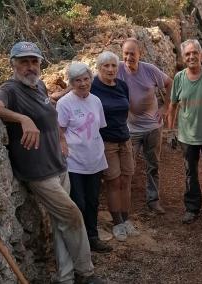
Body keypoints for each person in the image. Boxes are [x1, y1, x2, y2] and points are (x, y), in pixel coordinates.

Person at [0, 42, 104, 284]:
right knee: (72, 215)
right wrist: (22, 118)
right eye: (24, 61)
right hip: (39, 172)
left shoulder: (38, 85)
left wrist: (61, 139)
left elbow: (49, 114)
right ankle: (86, 272)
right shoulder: (10, 89)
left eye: (34, 61)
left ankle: (66, 276)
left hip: (58, 163)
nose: (30, 66)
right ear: (13, 63)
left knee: (61, 225)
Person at [56, 62, 112, 253]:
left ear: (91, 79)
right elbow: (59, 132)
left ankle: (93, 237)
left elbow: (98, 128)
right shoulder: (64, 104)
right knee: (78, 203)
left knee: (93, 200)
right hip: (74, 162)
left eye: (86, 79)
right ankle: (80, 245)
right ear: (71, 83)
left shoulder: (96, 101)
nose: (83, 83)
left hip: (94, 160)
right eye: (77, 80)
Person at [118, 38, 173, 214]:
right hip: (130, 128)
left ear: (139, 53)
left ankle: (153, 200)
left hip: (152, 127)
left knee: (153, 164)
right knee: (126, 166)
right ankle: (123, 204)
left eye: (132, 54)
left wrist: (166, 107)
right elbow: (94, 80)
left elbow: (169, 83)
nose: (128, 57)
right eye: (125, 53)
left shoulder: (149, 70)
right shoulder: (117, 68)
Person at [167, 39, 202, 224]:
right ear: (183, 58)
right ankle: (192, 207)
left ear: (201, 55)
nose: (191, 57)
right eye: (187, 54)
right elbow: (172, 106)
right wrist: (171, 130)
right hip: (187, 136)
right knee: (191, 172)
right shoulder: (179, 78)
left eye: (194, 53)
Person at [91, 51, 139, 241]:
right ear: (99, 68)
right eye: (106, 66)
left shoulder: (122, 85)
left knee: (127, 179)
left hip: (124, 138)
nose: (110, 69)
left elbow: (125, 109)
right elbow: (74, 93)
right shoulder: (92, 86)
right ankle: (117, 222)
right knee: (114, 181)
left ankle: (126, 219)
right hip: (106, 141)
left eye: (113, 66)